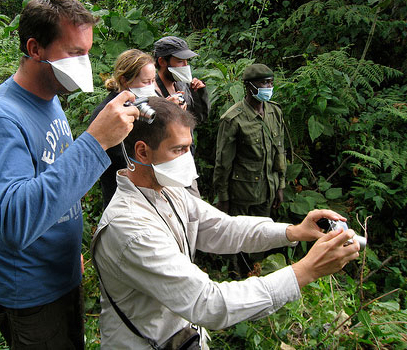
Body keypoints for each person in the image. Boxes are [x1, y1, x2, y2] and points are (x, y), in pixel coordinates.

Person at [91, 98, 360, 349]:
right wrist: (305, 271)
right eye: (179, 149)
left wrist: (292, 232)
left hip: (181, 337)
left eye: (189, 147)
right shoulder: (130, 228)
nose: (188, 158)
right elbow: (210, 303)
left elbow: (223, 228)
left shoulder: (167, 190)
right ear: (142, 151)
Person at [0, 0, 139, 349]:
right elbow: (15, 222)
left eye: (87, 52)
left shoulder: (51, 99)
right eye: (75, 52)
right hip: (28, 294)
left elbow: (54, 176)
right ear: (35, 48)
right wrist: (95, 142)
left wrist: (66, 244)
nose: (85, 63)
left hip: (59, 274)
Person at [213, 63, 286, 217]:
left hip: (268, 192)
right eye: (263, 83)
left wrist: (280, 186)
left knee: (262, 235)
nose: (268, 87)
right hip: (242, 195)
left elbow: (280, 151)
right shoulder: (233, 119)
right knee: (238, 237)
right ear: (248, 86)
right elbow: (223, 162)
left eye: (271, 82)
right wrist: (223, 197)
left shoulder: (274, 112)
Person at [89, 49, 156, 208]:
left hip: (144, 195)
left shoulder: (140, 102)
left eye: (153, 81)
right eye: (146, 82)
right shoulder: (108, 113)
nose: (151, 87)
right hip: (121, 199)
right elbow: (126, 159)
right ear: (124, 80)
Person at [153, 35, 210, 196]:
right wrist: (166, 107)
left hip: (186, 160)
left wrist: (199, 94)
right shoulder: (151, 90)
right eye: (180, 61)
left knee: (194, 210)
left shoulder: (182, 85)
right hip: (163, 165)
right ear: (163, 62)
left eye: (186, 61)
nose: (185, 66)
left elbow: (199, 119)